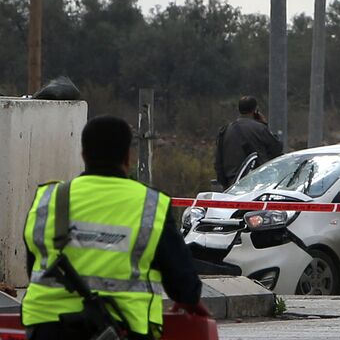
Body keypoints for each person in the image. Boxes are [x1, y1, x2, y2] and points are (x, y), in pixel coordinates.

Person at [22, 115, 209, 340]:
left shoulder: (49, 198)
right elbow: (183, 284)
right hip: (121, 328)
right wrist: (189, 298)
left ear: (83, 155)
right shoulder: (150, 205)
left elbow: (35, 266)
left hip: (47, 327)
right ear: (127, 157)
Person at [214, 96, 283, 189]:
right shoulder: (260, 129)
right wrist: (265, 124)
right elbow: (277, 149)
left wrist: (225, 184)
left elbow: (218, 161)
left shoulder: (225, 130)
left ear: (238, 109)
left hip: (232, 184)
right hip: (257, 182)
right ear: (256, 110)